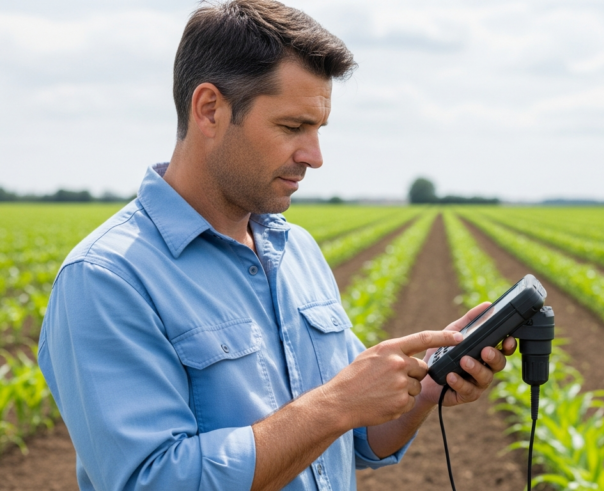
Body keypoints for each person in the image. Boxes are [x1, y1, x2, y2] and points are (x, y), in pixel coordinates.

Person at [36, 1, 516, 490]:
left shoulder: (296, 250)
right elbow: (153, 480)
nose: (314, 156)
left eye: (317, 129)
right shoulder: (106, 278)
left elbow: (356, 441)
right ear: (210, 110)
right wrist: (334, 404)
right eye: (292, 128)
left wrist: (425, 390)